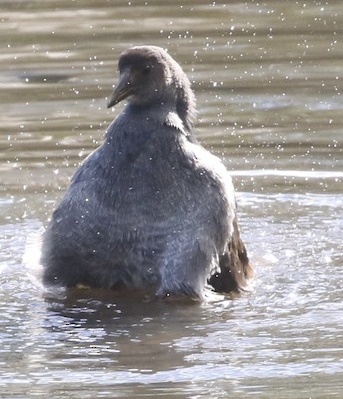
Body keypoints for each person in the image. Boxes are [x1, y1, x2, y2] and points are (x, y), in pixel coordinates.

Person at [41, 45, 252, 300]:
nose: (127, 81)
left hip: (154, 322)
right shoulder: (94, 166)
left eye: (144, 72)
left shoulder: (206, 178)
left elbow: (230, 283)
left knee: (179, 298)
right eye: (124, 73)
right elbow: (54, 276)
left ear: (167, 78)